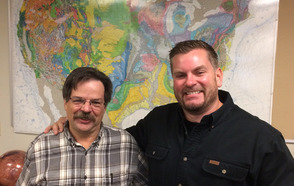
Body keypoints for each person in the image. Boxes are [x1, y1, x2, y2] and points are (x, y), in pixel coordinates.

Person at [45, 40, 294, 185]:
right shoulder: (157, 120)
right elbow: (109, 141)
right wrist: (74, 120)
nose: (190, 82)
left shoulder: (263, 140)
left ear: (218, 76)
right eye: (180, 75)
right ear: (173, 80)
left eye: (199, 72)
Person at [17, 67, 148, 185]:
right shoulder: (40, 147)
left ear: (104, 107)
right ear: (66, 103)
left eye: (95, 102)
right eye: (78, 100)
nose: (86, 109)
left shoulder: (126, 145)